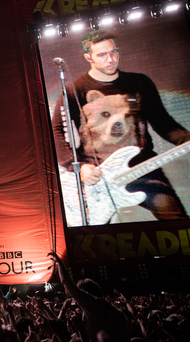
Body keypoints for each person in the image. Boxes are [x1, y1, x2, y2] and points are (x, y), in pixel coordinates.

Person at [52, 30, 190, 223]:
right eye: (102, 55)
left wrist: (186, 139)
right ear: (88, 57)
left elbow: (163, 123)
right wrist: (78, 167)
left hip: (143, 169)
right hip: (99, 177)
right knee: (96, 237)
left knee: (178, 222)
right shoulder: (75, 90)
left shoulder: (139, 83)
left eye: (114, 52)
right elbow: (56, 131)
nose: (111, 59)